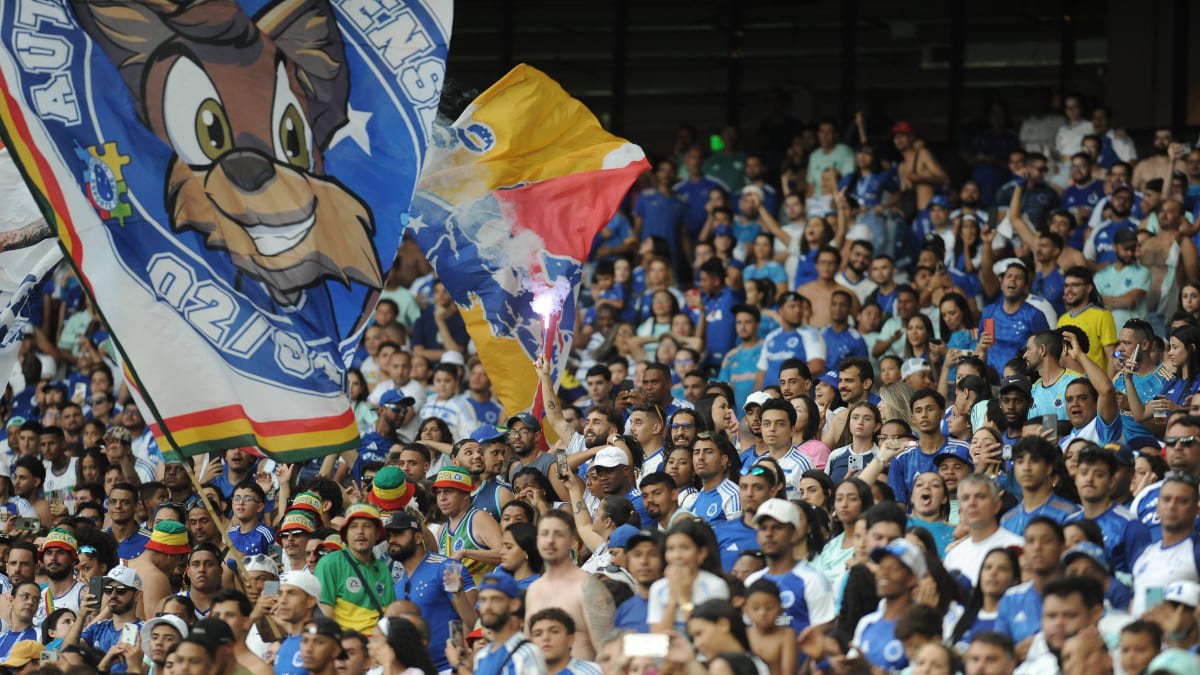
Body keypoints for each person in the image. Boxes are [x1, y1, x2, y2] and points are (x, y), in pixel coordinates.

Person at [384, 511, 476, 673]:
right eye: (389, 536)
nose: (392, 540)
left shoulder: (446, 568)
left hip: (449, 668)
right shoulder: (397, 584)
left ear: (418, 538)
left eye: (398, 534)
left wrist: (459, 665)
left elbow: (472, 623)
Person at [525, 512, 614, 660]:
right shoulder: (533, 589)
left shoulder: (589, 587)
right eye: (545, 534)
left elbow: (607, 652)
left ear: (572, 540)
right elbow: (529, 647)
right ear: (537, 540)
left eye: (558, 534)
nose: (550, 541)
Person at [743, 499, 834, 635]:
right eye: (763, 528)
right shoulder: (751, 582)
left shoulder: (813, 581)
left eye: (777, 527)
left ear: (794, 533)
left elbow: (823, 637)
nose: (768, 534)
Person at [1067, 447, 1150, 576]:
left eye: (1099, 474)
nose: (1089, 479)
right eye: (1083, 473)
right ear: (1075, 479)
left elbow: (1148, 577)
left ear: (1111, 482)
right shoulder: (1069, 523)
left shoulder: (1130, 525)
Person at [315, 503, 395, 635]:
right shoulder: (329, 563)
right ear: (345, 534)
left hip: (377, 645)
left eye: (367, 526)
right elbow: (324, 615)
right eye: (353, 526)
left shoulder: (382, 569)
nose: (360, 531)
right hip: (346, 646)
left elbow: (388, 616)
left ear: (377, 534)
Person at [448, 573, 547, 675]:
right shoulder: (482, 656)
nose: (487, 606)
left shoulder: (527, 653)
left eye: (496, 599)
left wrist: (458, 666)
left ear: (514, 604)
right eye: (483, 600)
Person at [1130, 471, 1200, 616]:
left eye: (1182, 501)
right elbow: (1150, 603)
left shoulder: (1196, 551)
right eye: (1166, 499)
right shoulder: (1144, 553)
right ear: (1157, 507)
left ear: (1196, 510)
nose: (1172, 506)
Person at [853, 539, 927, 672]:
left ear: (912, 578)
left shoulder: (923, 626)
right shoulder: (866, 623)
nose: (884, 574)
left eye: (894, 568)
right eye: (881, 567)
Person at [888, 389, 970, 508]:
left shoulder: (963, 450)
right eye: (918, 411)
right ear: (912, 418)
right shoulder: (901, 458)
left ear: (942, 414)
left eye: (930, 409)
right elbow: (898, 505)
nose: (924, 415)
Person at [944, 475, 1023, 586]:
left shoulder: (1017, 546)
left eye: (980, 497)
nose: (972, 503)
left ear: (996, 505)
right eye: (966, 498)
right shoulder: (953, 556)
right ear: (960, 508)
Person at [66, 566, 143, 673]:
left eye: (121, 590)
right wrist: (81, 617)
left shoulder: (145, 631)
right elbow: (67, 652)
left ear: (137, 595)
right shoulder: (97, 627)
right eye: (108, 589)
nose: (113, 595)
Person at [433, 466, 502, 582]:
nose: (442, 498)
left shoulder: (479, 518)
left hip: (484, 595)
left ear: (466, 494)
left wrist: (465, 553)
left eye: (448, 491)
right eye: (438, 492)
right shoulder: (442, 530)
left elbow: (504, 554)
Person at [1000, 437, 1081, 534]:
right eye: (1020, 462)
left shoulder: (1069, 514)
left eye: (1034, 461)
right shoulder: (1007, 520)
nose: (1026, 468)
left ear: (1048, 468)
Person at [266, 570, 321, 675]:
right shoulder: (285, 644)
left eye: (292, 593)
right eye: (280, 593)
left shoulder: (319, 644)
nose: (282, 600)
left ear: (310, 601)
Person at [209, 589, 272, 675]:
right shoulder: (204, 665)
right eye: (217, 615)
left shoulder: (260, 671)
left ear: (245, 622)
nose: (222, 620)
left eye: (230, 615)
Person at [744, 579, 797, 675]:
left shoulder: (787, 635)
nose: (762, 613)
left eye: (769, 608)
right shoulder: (744, 634)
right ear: (746, 611)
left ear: (780, 610)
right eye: (756, 608)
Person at [528, 607, 602, 675]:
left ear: (571, 639)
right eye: (538, 634)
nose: (545, 637)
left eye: (554, 631)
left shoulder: (594, 672)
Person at [34, 528, 85, 626]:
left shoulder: (84, 595)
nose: (53, 558)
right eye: (49, 553)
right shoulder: (37, 596)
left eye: (60, 553)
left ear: (73, 559)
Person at [688, 433, 741, 523]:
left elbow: (735, 535)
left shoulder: (733, 495)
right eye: (696, 452)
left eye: (708, 452)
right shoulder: (700, 495)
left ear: (723, 460)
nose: (700, 457)